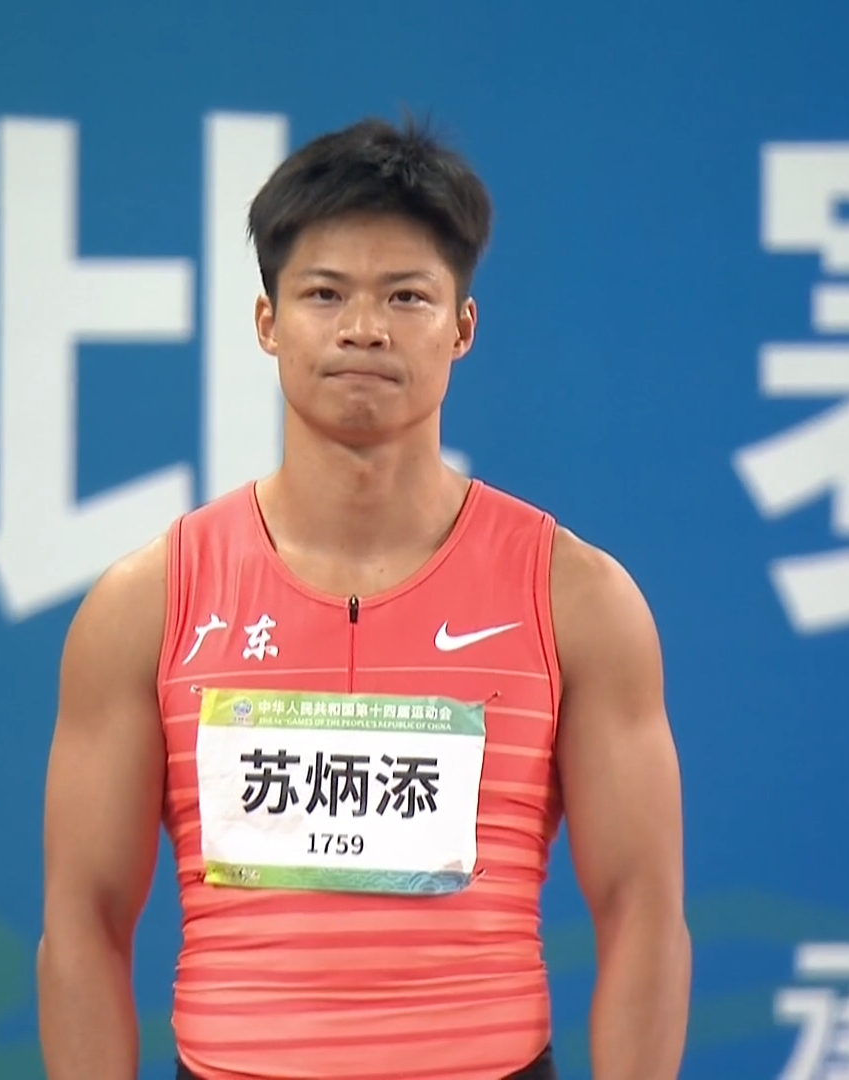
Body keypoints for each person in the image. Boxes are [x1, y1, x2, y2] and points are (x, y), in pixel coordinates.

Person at [37, 113, 691, 1080]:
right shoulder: (149, 604)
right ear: (267, 322)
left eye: (407, 296)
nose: (363, 328)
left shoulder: (574, 598)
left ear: (463, 327)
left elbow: (644, 912)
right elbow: (82, 922)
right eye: (325, 293)